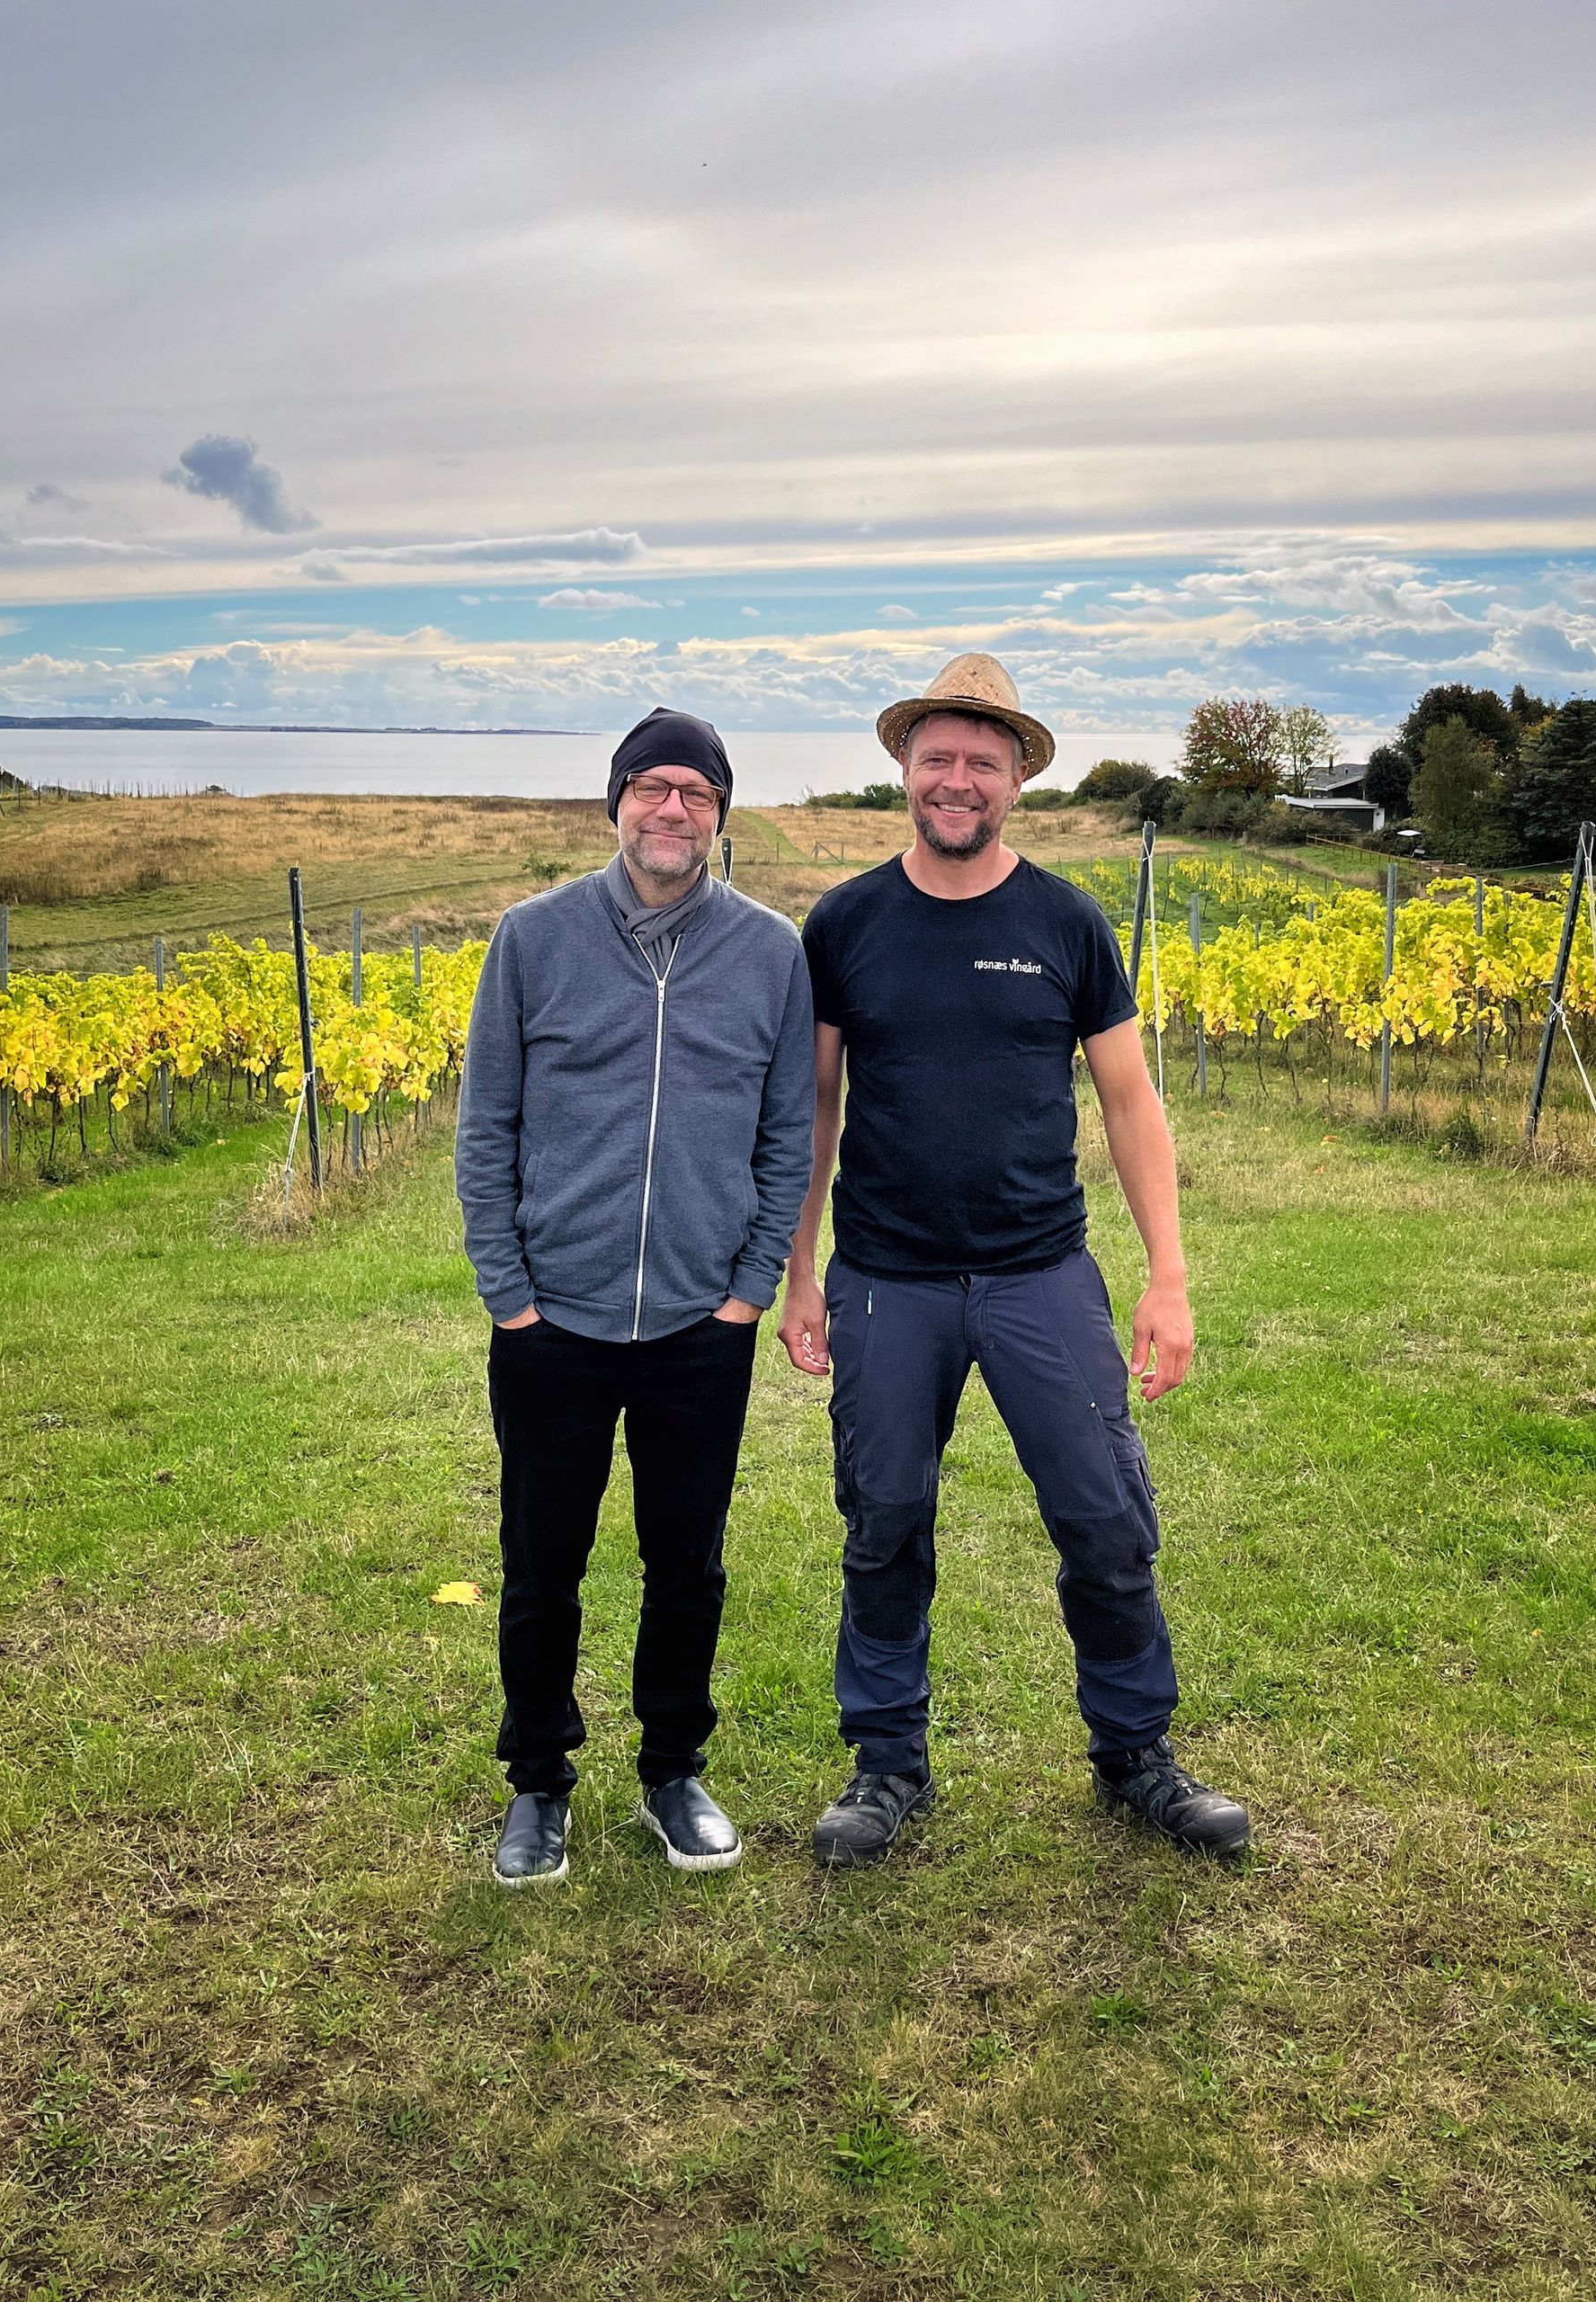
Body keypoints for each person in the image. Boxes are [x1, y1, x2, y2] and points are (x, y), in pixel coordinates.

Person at [778, 655, 1250, 1867]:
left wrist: (1170, 1277)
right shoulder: (845, 925)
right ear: (904, 769)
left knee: (1102, 1518)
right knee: (884, 1517)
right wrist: (798, 1271)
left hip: (1043, 1275)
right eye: (938, 757)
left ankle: (1133, 1753)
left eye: (983, 761)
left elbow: (1133, 1102)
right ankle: (886, 1764)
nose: (957, 779)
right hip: (889, 1278)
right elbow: (814, 1112)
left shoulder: (1064, 922)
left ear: (1017, 780)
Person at [456, 709, 815, 1887]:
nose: (674, 811)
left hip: (699, 1331)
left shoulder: (768, 951)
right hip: (552, 1322)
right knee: (540, 1567)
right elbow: (486, 1128)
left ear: (720, 813)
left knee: (687, 1564)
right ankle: (539, 1786)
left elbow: (787, 1133)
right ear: (615, 801)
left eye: (698, 794)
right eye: (653, 788)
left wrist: (748, 1289)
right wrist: (510, 1296)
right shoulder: (532, 938)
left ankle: (673, 1770)